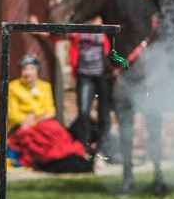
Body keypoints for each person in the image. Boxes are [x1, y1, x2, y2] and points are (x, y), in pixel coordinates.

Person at [29, 14, 116, 158]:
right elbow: (55, 36)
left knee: (104, 114)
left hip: (103, 77)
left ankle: (103, 149)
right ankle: (84, 149)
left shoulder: (104, 23)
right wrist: (37, 27)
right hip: (85, 76)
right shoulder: (79, 27)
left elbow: (115, 46)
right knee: (83, 112)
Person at [0, 54, 92, 173]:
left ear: (37, 71)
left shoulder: (45, 86)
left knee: (59, 133)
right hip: (23, 126)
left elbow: (51, 111)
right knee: (37, 139)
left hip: (43, 124)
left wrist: (33, 116)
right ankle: (49, 159)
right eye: (24, 69)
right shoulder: (13, 87)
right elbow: (12, 114)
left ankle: (65, 156)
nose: (27, 73)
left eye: (31, 69)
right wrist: (35, 118)